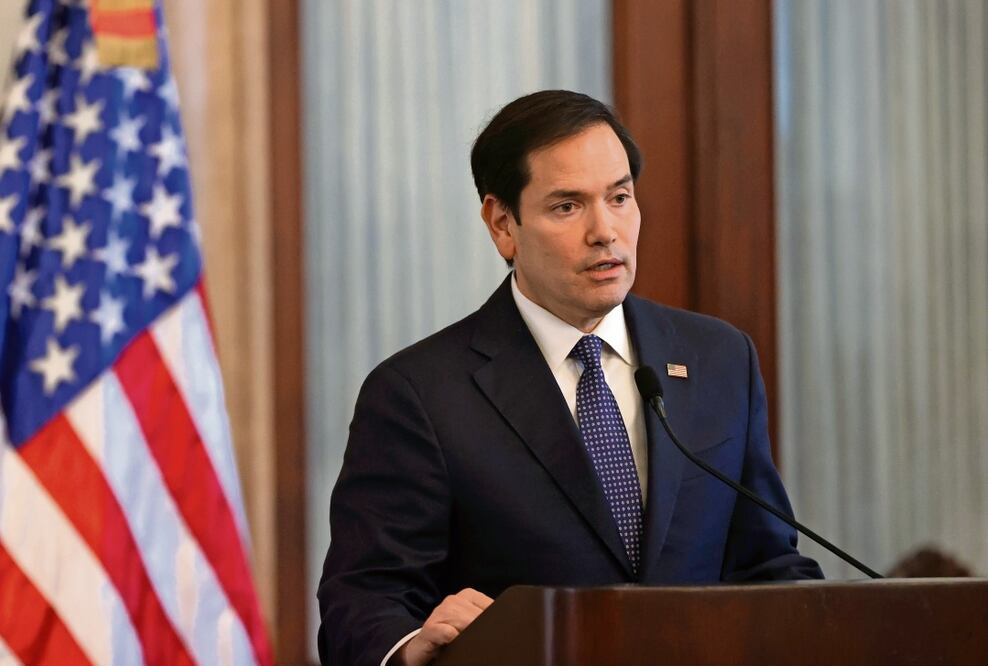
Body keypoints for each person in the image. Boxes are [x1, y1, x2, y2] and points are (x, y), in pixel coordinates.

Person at [317, 90, 823, 666]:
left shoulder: (719, 359)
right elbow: (363, 599)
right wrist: (410, 648)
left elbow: (767, 565)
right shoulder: (419, 395)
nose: (605, 230)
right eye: (567, 206)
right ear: (502, 223)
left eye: (620, 197)